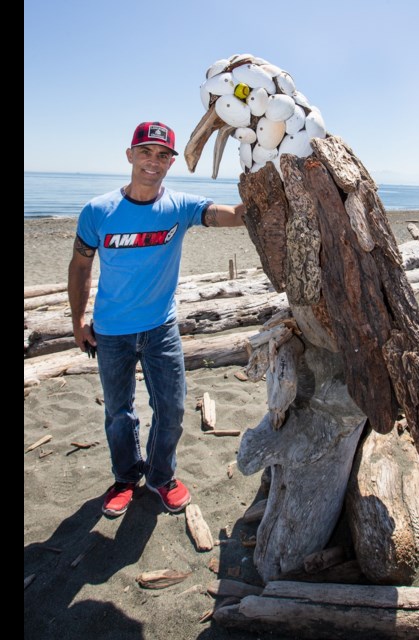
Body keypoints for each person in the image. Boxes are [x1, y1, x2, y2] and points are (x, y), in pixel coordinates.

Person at [68, 121, 246, 518]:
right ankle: (126, 477)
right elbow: (80, 266)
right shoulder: (98, 212)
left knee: (172, 409)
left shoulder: (180, 207)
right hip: (111, 332)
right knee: (119, 412)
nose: (154, 161)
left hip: (161, 330)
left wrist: (271, 190)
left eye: (163, 154)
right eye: (146, 152)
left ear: (170, 162)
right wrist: (79, 319)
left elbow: (233, 215)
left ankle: (161, 476)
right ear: (130, 155)